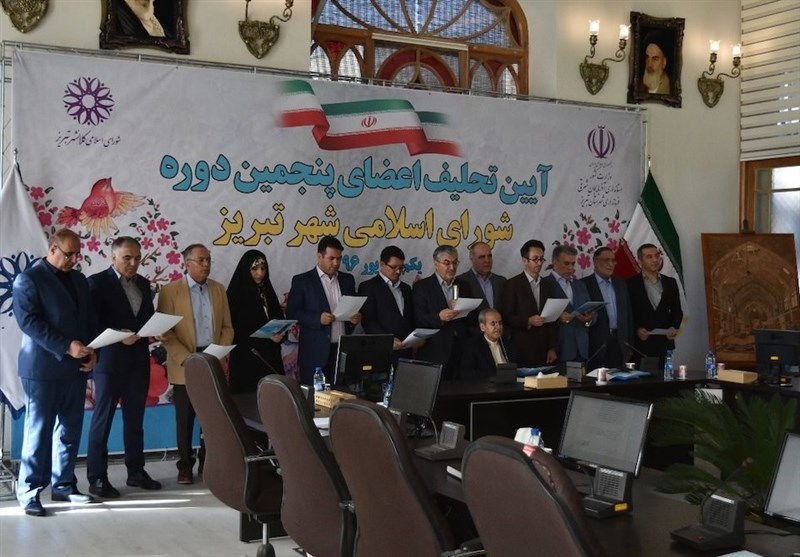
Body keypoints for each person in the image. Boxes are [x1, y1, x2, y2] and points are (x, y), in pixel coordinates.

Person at [13, 228, 98, 516]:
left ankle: (64, 485)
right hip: (42, 369)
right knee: (38, 432)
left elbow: (87, 319)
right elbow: (29, 322)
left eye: (77, 254)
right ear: (52, 249)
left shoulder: (79, 280)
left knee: (70, 429)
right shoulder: (29, 279)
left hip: (75, 367)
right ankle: (29, 492)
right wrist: (65, 346)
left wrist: (92, 350)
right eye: (68, 254)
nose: (74, 259)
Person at [86, 237, 161, 499]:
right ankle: (97, 477)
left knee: (135, 420)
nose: (133, 263)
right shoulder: (97, 283)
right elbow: (90, 323)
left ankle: (136, 471)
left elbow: (146, 318)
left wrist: (157, 329)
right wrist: (119, 335)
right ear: (113, 257)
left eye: (137, 258)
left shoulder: (143, 284)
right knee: (103, 420)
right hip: (109, 361)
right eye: (127, 258)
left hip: (138, 361)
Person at [157, 243, 233, 485]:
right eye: (201, 260)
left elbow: (227, 327)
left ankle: (208, 463)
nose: (206, 265)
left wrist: (218, 352)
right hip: (185, 361)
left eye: (208, 260)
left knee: (211, 417)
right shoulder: (170, 291)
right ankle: (185, 466)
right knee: (185, 418)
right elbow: (165, 332)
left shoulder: (218, 289)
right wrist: (186, 358)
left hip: (212, 358)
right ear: (187, 263)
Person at [286, 235, 361, 386]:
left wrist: (355, 319)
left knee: (342, 394)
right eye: (331, 258)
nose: (336, 263)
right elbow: (292, 313)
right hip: (314, 353)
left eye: (339, 259)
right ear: (319, 256)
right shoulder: (303, 281)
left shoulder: (347, 280)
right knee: (314, 397)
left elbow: (352, 309)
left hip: (342, 351)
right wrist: (317, 319)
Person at [226, 250, 286, 394]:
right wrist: (266, 335)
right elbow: (234, 328)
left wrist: (281, 332)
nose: (260, 273)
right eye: (254, 269)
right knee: (249, 401)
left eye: (263, 268)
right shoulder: (235, 294)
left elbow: (278, 318)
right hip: (247, 359)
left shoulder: (267, 291)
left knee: (274, 398)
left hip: (270, 357)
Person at [412, 245, 475, 380]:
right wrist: (439, 317)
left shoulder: (464, 285)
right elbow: (419, 318)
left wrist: (464, 310)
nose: (452, 267)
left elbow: (472, 318)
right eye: (447, 263)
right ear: (436, 264)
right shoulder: (422, 287)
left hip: (462, 350)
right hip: (436, 350)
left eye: (455, 263)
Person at [500, 239, 557, 368]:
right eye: (535, 259)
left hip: (544, 348)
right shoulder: (512, 284)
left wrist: (552, 347)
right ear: (524, 260)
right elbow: (506, 316)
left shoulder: (548, 285)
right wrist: (528, 321)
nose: (539, 263)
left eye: (541, 259)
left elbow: (552, 320)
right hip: (522, 347)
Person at [627, 243, 683, 366]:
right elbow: (627, 313)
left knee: (665, 376)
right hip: (641, 345)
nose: (655, 260)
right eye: (649, 257)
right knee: (642, 377)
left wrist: (674, 327)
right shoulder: (630, 284)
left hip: (665, 343)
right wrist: (637, 329)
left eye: (657, 256)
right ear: (640, 261)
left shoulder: (670, 282)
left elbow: (677, 311)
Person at [357, 245, 415, 362]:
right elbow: (368, 322)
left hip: (405, 350)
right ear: (382, 264)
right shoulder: (368, 287)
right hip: (381, 351)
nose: (398, 271)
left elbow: (410, 318)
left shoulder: (406, 288)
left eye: (401, 267)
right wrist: (388, 340)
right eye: (393, 267)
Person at [581, 247, 633, 369]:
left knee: (618, 377)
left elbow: (628, 315)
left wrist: (630, 344)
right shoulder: (584, 284)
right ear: (595, 262)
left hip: (619, 342)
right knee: (596, 378)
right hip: (596, 344)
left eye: (613, 260)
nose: (611, 264)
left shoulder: (620, 283)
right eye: (606, 260)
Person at [542, 245, 593, 369]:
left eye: (573, 263)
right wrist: (558, 317)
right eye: (566, 263)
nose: (571, 268)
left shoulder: (580, 285)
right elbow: (540, 315)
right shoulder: (544, 284)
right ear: (555, 262)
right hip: (559, 348)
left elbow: (591, 311)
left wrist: (588, 319)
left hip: (582, 348)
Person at [461, 308, 515, 380]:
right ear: (482, 327)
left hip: (510, 383)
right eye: (493, 324)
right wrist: (494, 376)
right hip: (487, 384)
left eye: (500, 323)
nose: (498, 327)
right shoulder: (473, 345)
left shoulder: (508, 343)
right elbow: (466, 372)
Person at [456, 241, 506, 312]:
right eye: (482, 257)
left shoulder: (501, 281)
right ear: (471, 259)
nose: (487, 260)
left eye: (489, 256)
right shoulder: (460, 282)